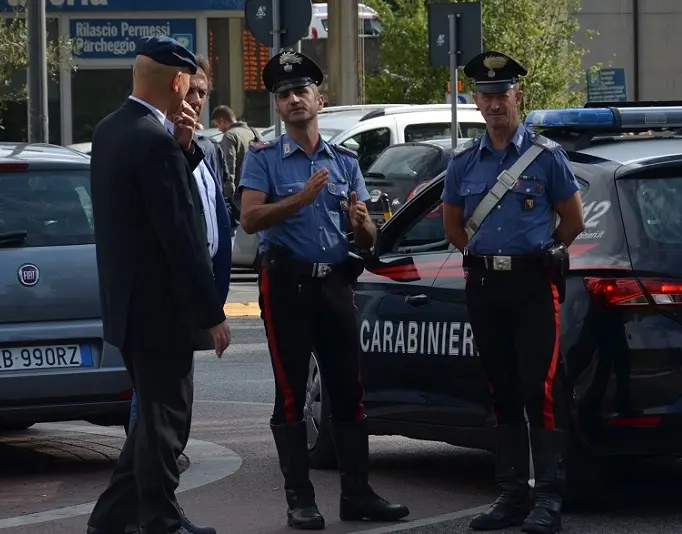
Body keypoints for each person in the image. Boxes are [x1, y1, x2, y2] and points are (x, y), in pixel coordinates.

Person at [237, 50, 409, 530]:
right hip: (287, 283)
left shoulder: (345, 161)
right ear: (278, 107)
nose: (294, 100)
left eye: (301, 91)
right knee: (292, 393)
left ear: (319, 98)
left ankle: (357, 492)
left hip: (334, 282)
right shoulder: (264, 158)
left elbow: (367, 238)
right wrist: (297, 200)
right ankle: (300, 498)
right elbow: (250, 218)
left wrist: (363, 226)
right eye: (284, 95)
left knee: (349, 389)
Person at [85, 35, 231, 534]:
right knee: (169, 418)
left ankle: (111, 519)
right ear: (176, 81)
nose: (193, 94)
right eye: (189, 84)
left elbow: (144, 206)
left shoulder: (110, 130)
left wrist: (184, 149)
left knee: (152, 420)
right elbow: (181, 233)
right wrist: (211, 313)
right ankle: (162, 521)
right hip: (162, 310)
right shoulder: (154, 139)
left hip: (128, 307)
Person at [440, 51, 585, 534]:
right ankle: (511, 494)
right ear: (475, 102)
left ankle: (548, 498)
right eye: (486, 95)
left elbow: (573, 220)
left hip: (532, 283)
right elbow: (453, 226)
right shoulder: (463, 162)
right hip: (485, 283)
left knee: (539, 389)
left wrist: (542, 252)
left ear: (518, 96)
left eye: (502, 94)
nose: (495, 103)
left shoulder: (547, 158)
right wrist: (486, 258)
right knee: (500, 388)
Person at [212, 105, 260, 207]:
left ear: (222, 121)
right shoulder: (253, 132)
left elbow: (229, 167)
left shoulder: (229, 136)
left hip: (240, 194)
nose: (219, 130)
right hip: (258, 189)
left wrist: (228, 195)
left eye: (217, 125)